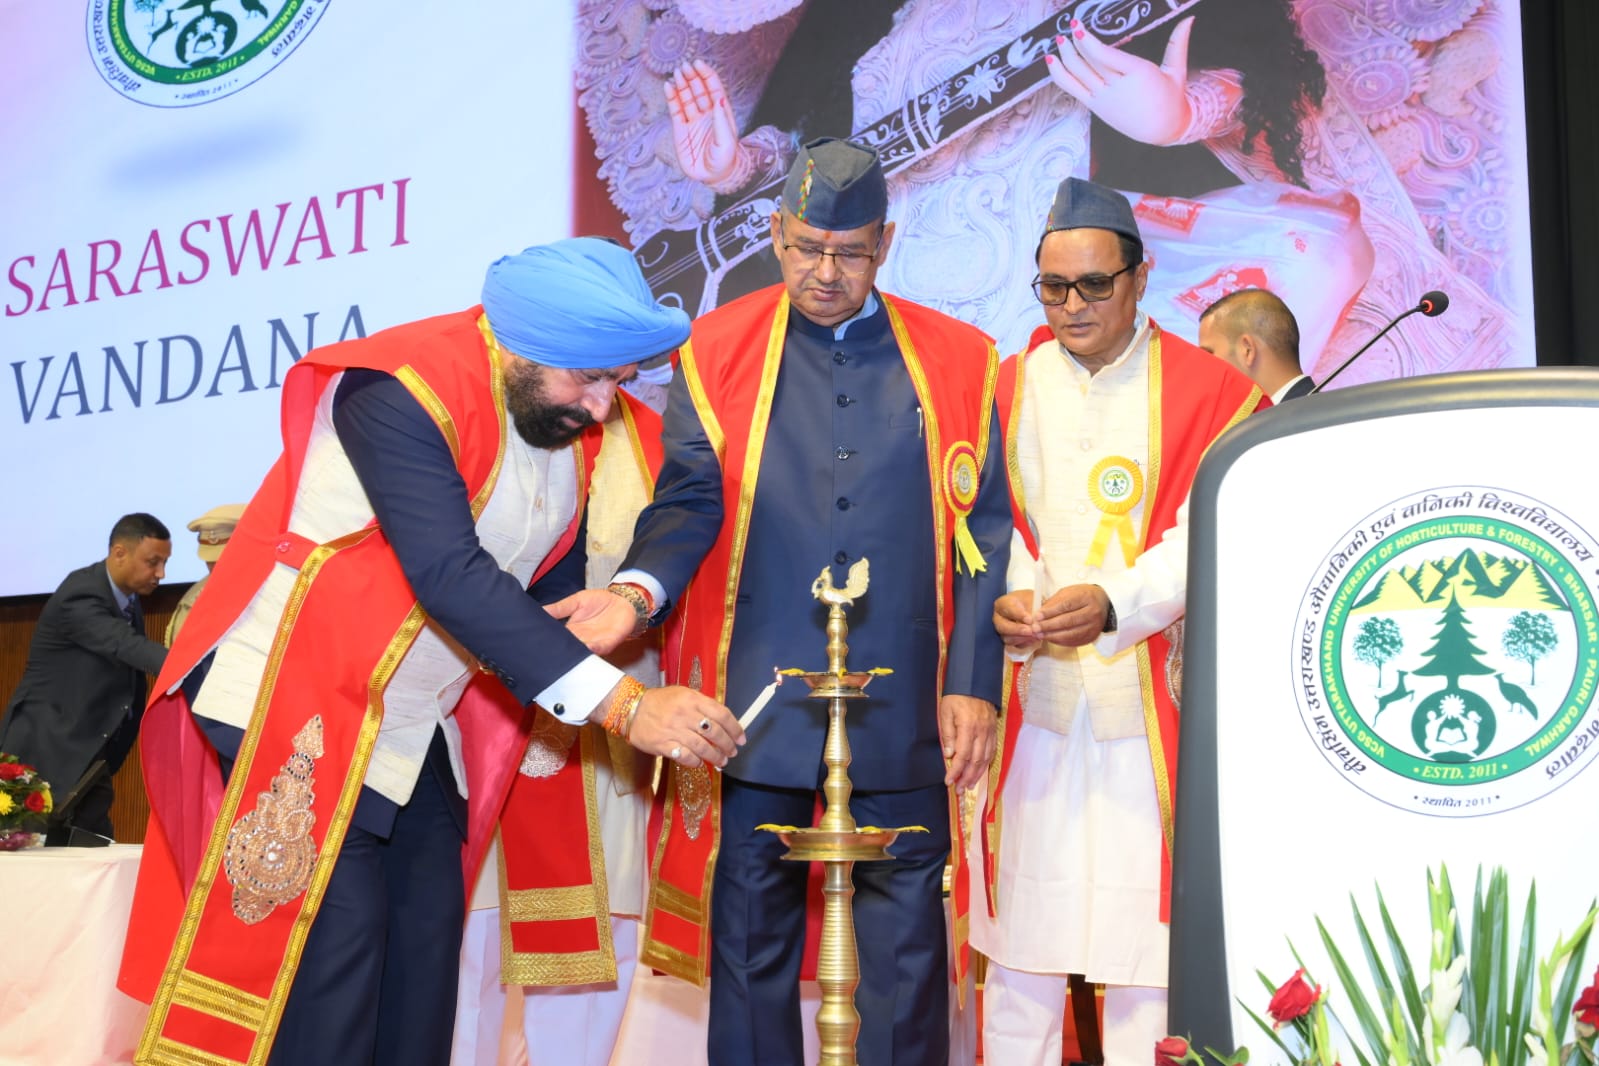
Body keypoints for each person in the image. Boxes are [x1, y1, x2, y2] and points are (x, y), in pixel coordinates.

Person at [115, 238, 745, 1066]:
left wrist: (616, 606)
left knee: (420, 978)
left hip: (411, 727)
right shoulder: (397, 389)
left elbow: (537, 590)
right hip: (296, 700)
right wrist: (626, 706)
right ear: (524, 346)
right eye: (588, 379)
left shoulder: (556, 427)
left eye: (617, 382)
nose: (601, 409)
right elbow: (450, 574)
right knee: (332, 974)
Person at [551, 136, 1012, 1066]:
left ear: (885, 243)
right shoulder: (713, 349)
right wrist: (634, 594)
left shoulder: (963, 360)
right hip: (756, 697)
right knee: (750, 944)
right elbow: (687, 502)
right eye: (805, 248)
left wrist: (972, 682)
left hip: (905, 701)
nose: (824, 273)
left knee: (907, 956)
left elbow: (985, 536)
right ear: (773, 233)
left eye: (848, 253)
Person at [969, 177, 1266, 1065]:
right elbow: (982, 521)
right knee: (1019, 950)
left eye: (1094, 285)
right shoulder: (1003, 388)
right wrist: (1013, 596)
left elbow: (1210, 526)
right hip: (1034, 709)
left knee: (1147, 959)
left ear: (1139, 277)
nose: (1072, 306)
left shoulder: (1211, 392)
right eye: (1053, 287)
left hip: (1149, 713)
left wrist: (1114, 605)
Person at [453, 396, 665, 1066]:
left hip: (609, 725)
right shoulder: (478, 416)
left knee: (595, 952)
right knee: (467, 943)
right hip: (481, 714)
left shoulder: (653, 437)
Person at [0, 513, 170, 840]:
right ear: (119, 553)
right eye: (153, 562)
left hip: (90, 755)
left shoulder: (129, 599)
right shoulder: (81, 593)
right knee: (33, 856)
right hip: (46, 752)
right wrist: (195, 666)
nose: (161, 573)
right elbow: (124, 645)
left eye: (165, 563)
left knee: (94, 852)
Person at [1198, 287, 1314, 402]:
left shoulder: (1308, 412)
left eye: (1208, 356)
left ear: (1247, 350)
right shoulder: (1315, 408)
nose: (1203, 371)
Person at [164, 503, 247, 645]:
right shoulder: (193, 601)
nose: (214, 568)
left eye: (222, 559)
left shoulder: (275, 591)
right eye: (209, 560)